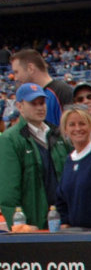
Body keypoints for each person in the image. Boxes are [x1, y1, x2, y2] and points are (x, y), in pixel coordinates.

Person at [0, 84, 68, 229]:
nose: (40, 107)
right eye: (33, 103)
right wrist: (19, 226)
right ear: (20, 106)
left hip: (63, 221)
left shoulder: (58, 134)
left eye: (42, 103)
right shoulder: (10, 139)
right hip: (33, 224)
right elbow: (8, 191)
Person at [10, 49, 71, 126]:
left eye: (16, 72)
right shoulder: (27, 97)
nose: (15, 78)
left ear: (30, 68)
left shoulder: (62, 91)